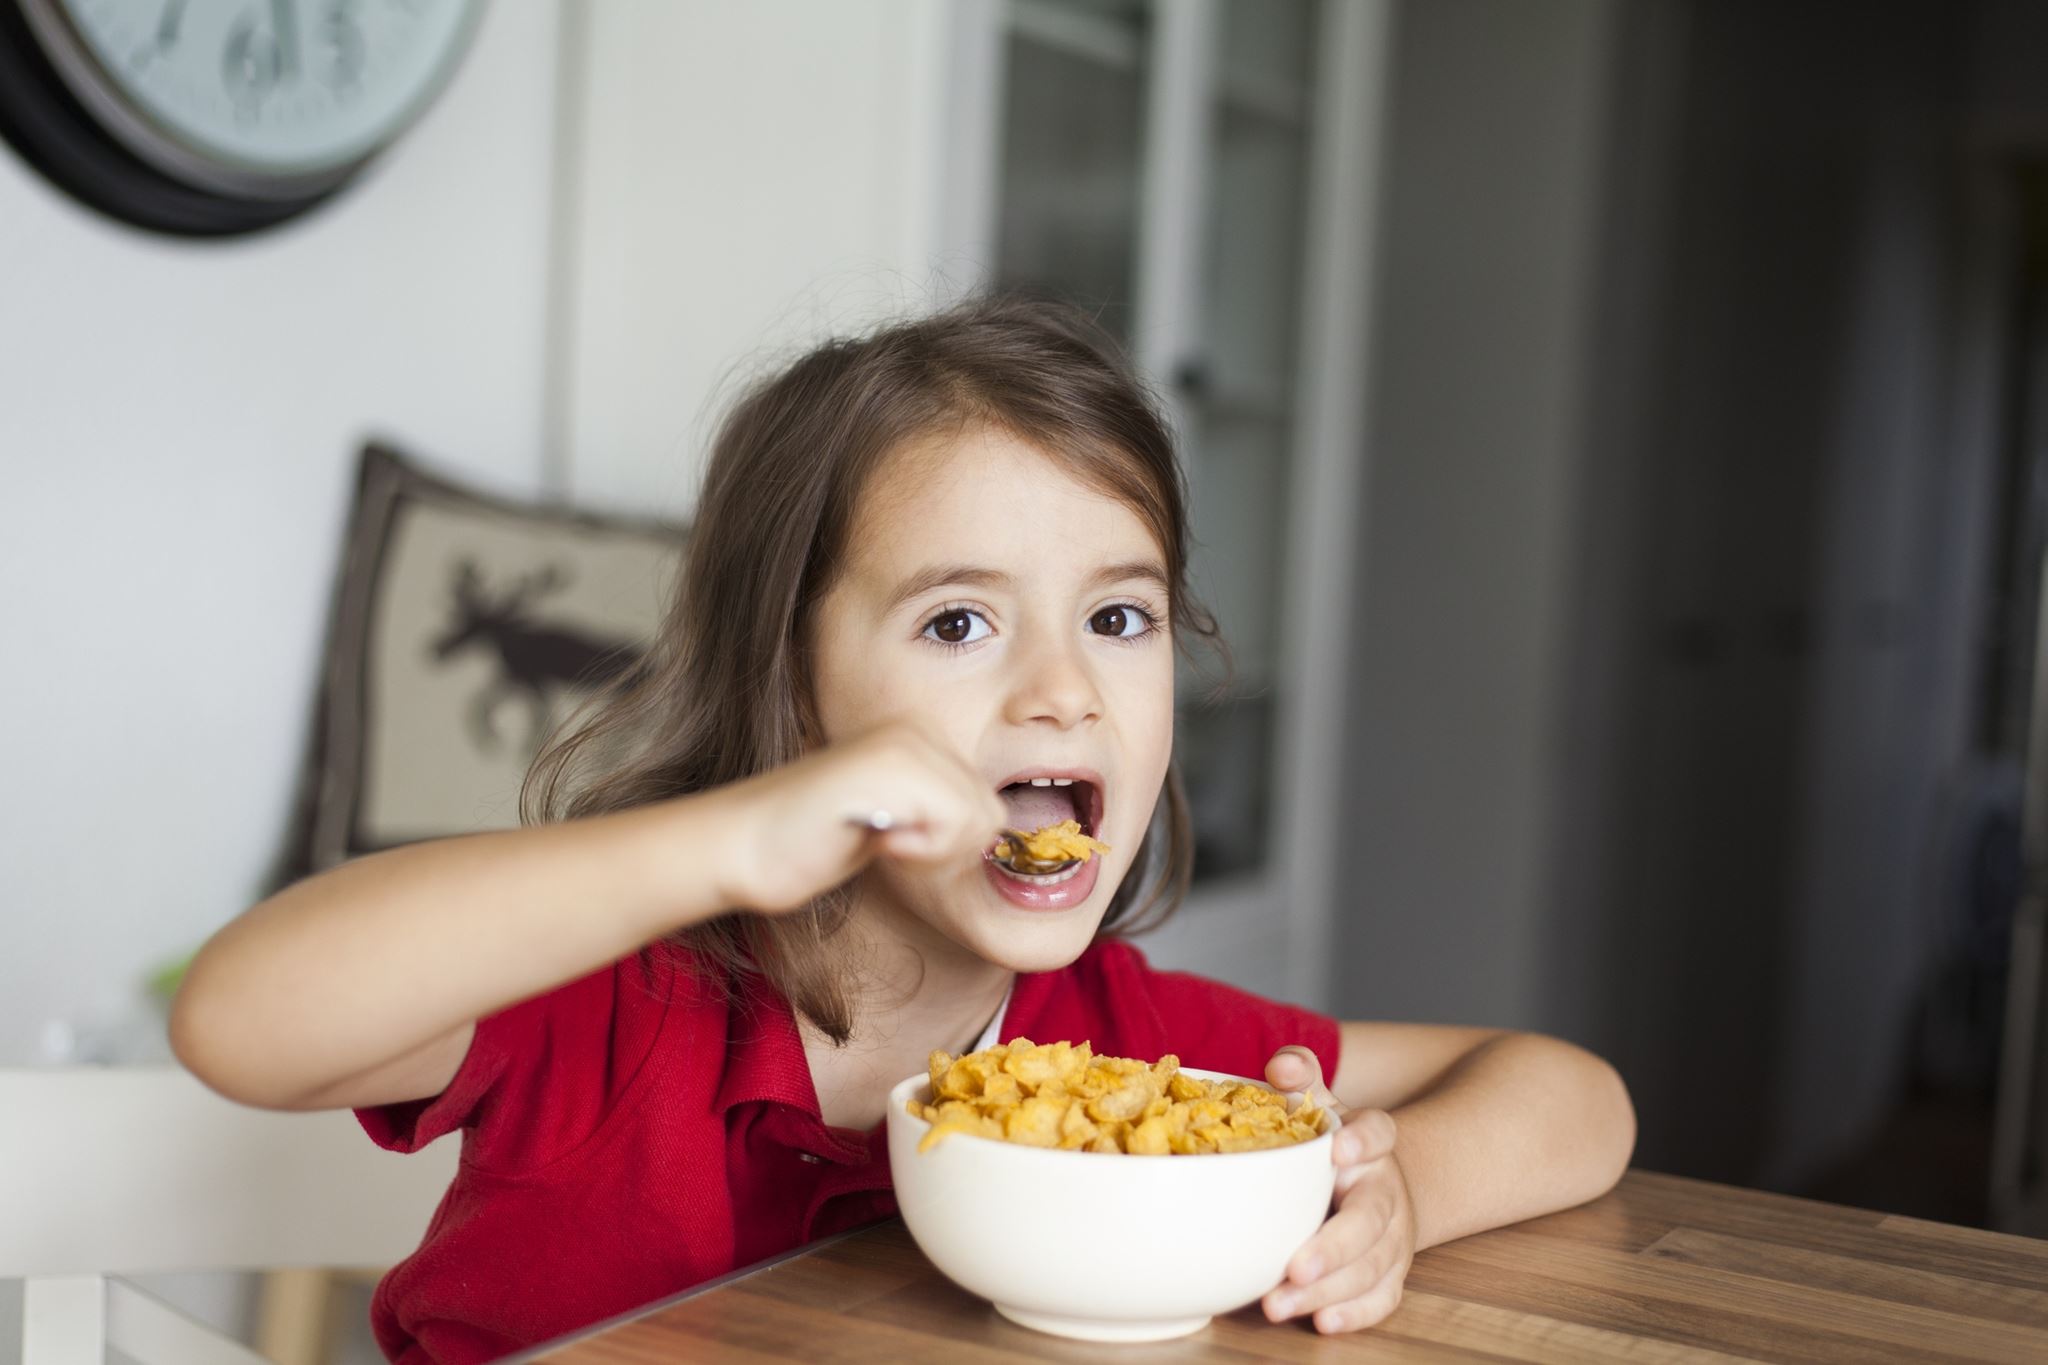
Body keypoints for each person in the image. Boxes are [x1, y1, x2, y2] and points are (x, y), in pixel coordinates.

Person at [171, 296, 1635, 1364]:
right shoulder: (616, 1002)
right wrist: (719, 844)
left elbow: (1575, 1098)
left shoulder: (1128, 1064)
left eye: (1118, 616)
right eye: (958, 620)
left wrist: (1401, 1194)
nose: (1062, 690)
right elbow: (238, 1019)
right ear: (792, 689)